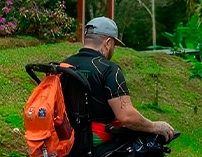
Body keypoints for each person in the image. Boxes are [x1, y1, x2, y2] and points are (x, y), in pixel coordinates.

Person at [63, 17, 176, 145]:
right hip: (96, 142)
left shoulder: (64, 65)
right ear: (108, 42)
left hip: (65, 138)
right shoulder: (109, 69)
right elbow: (126, 117)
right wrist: (153, 126)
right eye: (114, 45)